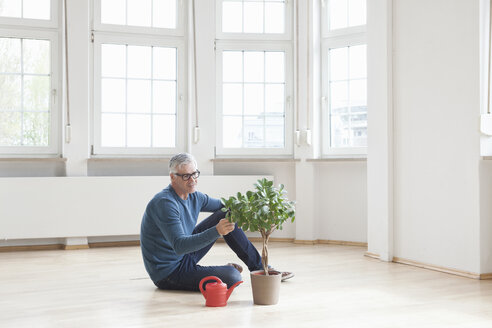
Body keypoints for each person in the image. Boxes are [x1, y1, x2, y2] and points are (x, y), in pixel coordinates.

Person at [140, 152, 293, 291]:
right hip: (169, 273)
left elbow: (227, 206)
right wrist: (217, 231)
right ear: (173, 177)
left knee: (227, 213)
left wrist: (258, 209)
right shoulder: (165, 203)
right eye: (186, 176)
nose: (193, 180)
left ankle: (261, 268)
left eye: (195, 174)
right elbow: (180, 246)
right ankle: (223, 270)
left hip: (184, 257)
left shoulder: (194, 196)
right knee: (233, 277)